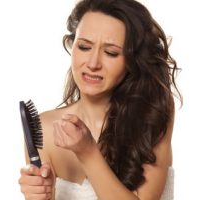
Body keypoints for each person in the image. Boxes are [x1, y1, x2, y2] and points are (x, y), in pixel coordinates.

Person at [18, 0, 182, 199]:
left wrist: (88, 152)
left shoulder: (152, 114)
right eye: (84, 47)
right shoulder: (45, 128)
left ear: (132, 60)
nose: (93, 63)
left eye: (110, 53)